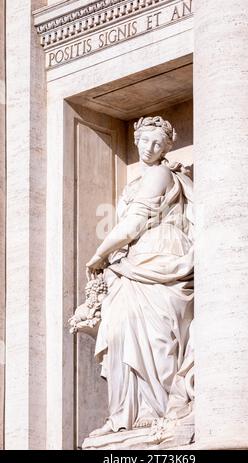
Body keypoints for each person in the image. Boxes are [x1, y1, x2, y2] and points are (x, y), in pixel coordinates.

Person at [86, 116, 194, 437]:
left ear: (167, 147)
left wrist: (98, 255)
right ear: (135, 140)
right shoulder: (134, 183)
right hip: (133, 263)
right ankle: (125, 413)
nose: (150, 148)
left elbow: (132, 226)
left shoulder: (161, 173)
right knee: (120, 330)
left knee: (157, 334)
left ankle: (156, 407)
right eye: (145, 140)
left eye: (158, 143)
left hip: (159, 254)